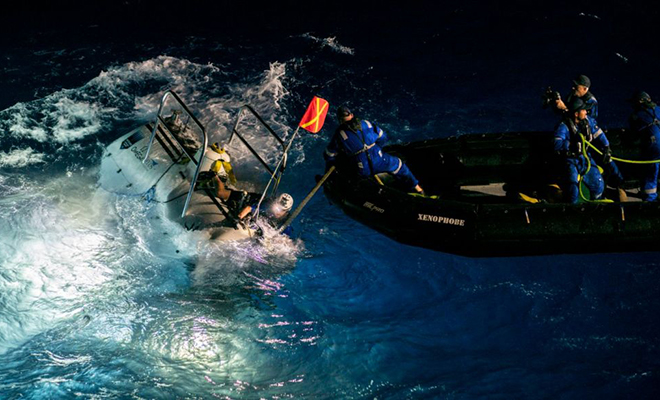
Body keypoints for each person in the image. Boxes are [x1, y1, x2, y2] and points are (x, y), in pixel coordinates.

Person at [324, 106, 424, 194]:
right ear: (352, 115)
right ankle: (418, 189)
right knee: (399, 165)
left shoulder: (339, 135)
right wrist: (377, 149)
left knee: (347, 169)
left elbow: (329, 154)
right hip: (380, 160)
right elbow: (383, 137)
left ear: (340, 120)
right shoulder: (366, 124)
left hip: (362, 169)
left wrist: (333, 162)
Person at [554, 97, 625, 203]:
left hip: (585, 158)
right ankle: (571, 211)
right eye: (583, 110)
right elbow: (557, 144)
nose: (586, 112)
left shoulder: (589, 122)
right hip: (571, 160)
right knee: (573, 188)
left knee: (598, 184)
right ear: (576, 114)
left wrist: (606, 148)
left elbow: (599, 135)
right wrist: (567, 150)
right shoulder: (564, 127)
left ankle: (596, 206)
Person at [628, 91, 660, 201]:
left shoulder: (637, 115)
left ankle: (649, 200)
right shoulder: (659, 109)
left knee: (650, 171)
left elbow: (634, 137)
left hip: (654, 147)